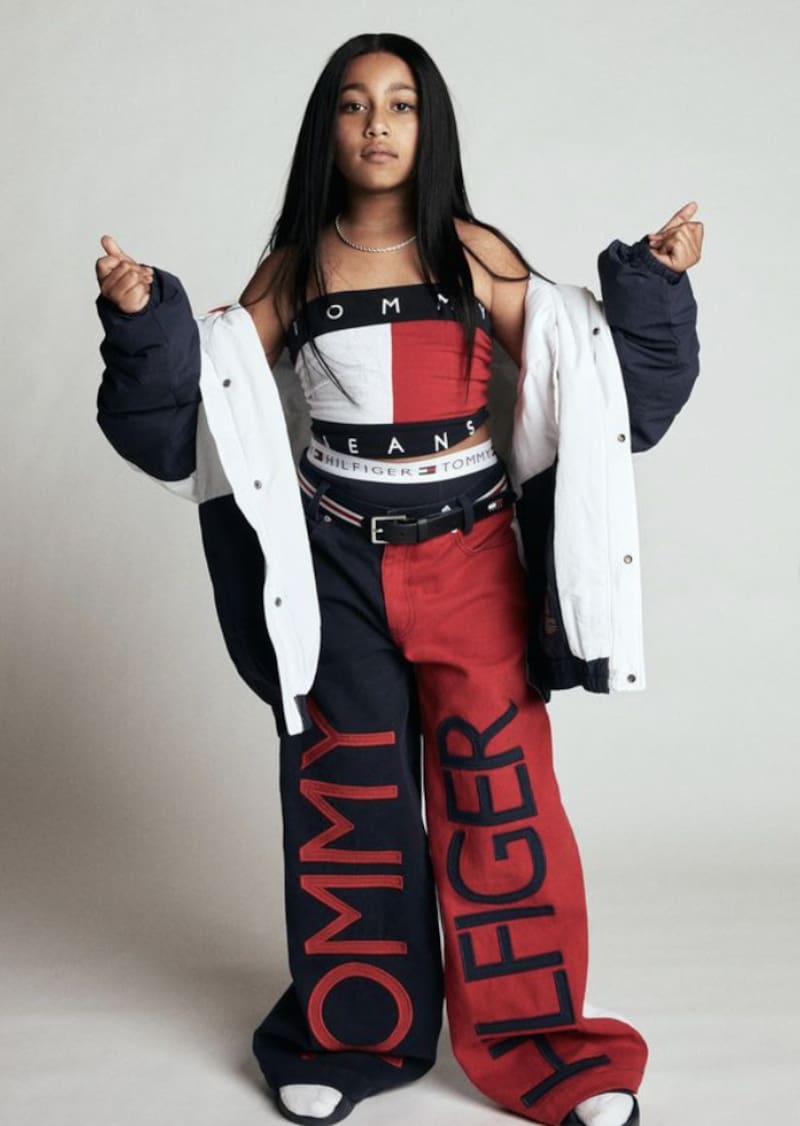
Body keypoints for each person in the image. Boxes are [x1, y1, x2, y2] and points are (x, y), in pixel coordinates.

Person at [93, 31, 702, 1126]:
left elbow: (592, 378)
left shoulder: (471, 251)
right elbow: (205, 403)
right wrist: (143, 323)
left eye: (402, 102)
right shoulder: (296, 265)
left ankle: (540, 1046)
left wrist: (653, 283)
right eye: (354, 102)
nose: (377, 122)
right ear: (326, 128)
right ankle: (350, 1032)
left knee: (499, 795)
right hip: (336, 567)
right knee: (348, 798)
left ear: (430, 127)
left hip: (472, 559)